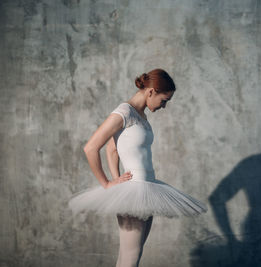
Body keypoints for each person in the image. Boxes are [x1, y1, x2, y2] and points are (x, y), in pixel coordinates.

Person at [68, 68, 208, 267]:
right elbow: (91, 148)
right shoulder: (124, 112)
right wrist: (108, 184)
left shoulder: (139, 114)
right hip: (135, 189)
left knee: (130, 256)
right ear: (151, 91)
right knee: (130, 258)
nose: (164, 106)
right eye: (164, 100)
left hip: (147, 188)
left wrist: (117, 180)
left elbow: (112, 149)